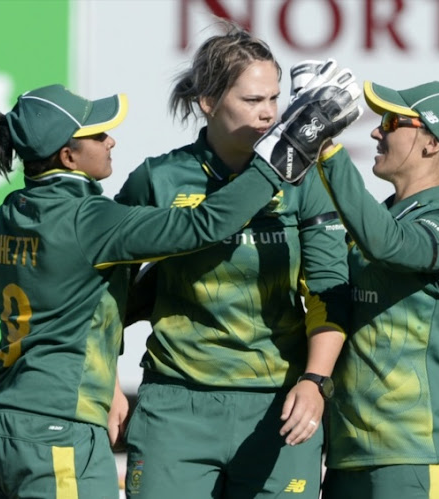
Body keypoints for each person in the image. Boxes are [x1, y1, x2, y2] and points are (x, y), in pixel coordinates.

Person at [0, 83, 295, 499]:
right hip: (56, 425)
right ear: (68, 156)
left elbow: (84, 300)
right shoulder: (89, 218)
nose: (111, 140)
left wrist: (111, 386)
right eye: (98, 134)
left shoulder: (10, 211)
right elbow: (204, 225)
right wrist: (280, 158)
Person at [115, 24, 350, 498]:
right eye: (251, 100)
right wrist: (105, 380)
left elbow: (329, 290)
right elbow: (104, 291)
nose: (268, 115)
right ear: (207, 101)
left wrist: (314, 381)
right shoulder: (157, 179)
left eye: (274, 99)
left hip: (278, 407)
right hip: (174, 406)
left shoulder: (305, 182)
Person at [273, 77, 439, 498]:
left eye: (391, 122)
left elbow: (387, 243)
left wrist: (327, 147)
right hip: (350, 456)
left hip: (421, 458)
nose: (375, 130)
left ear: (432, 144)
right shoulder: (383, 216)